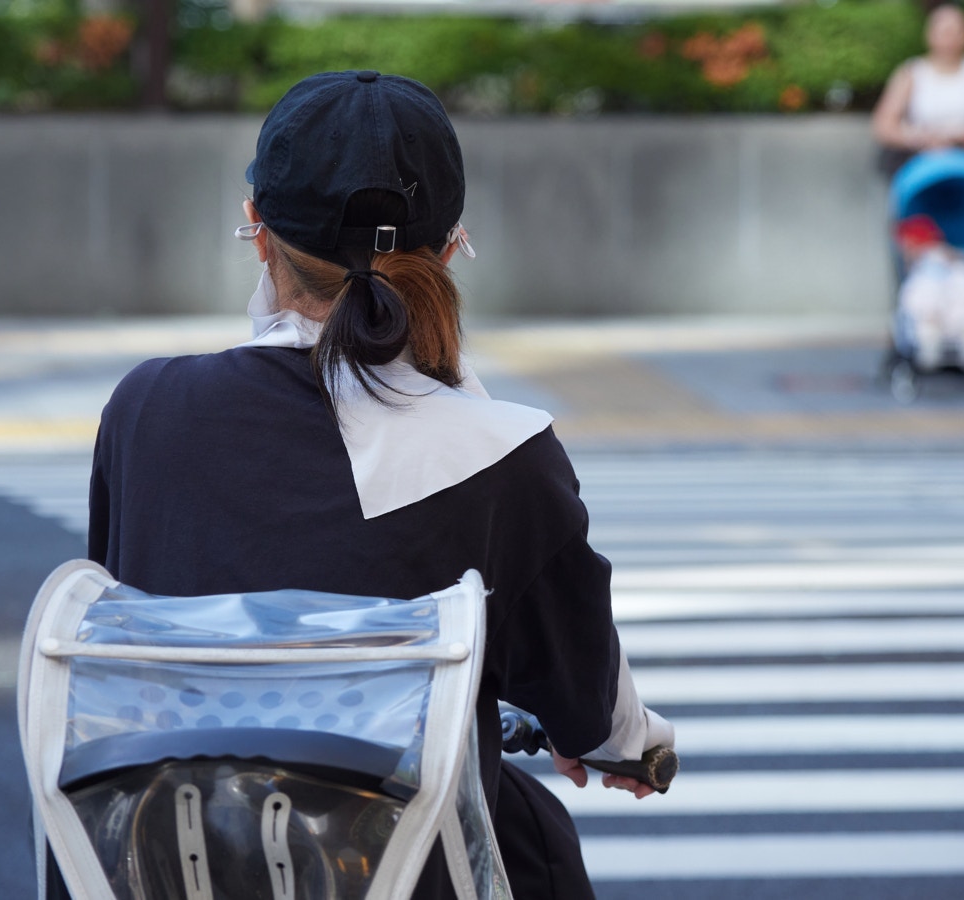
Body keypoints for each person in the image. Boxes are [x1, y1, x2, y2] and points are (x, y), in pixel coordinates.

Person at [71, 70, 674, 900]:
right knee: (531, 841)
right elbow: (584, 700)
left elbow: (129, 615)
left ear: (257, 231)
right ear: (451, 246)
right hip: (398, 868)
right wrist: (631, 744)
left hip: (171, 856)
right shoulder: (502, 453)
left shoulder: (146, 407)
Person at [872, 3, 964, 177]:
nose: (951, 39)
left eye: (957, 32)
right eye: (944, 32)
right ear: (929, 35)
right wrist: (917, 138)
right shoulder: (911, 72)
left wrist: (960, 138)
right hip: (916, 161)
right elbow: (884, 125)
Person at [895, 213, 964, 371]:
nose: (904, 252)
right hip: (959, 322)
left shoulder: (929, 267)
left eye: (907, 246)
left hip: (944, 318)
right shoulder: (959, 262)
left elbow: (915, 301)